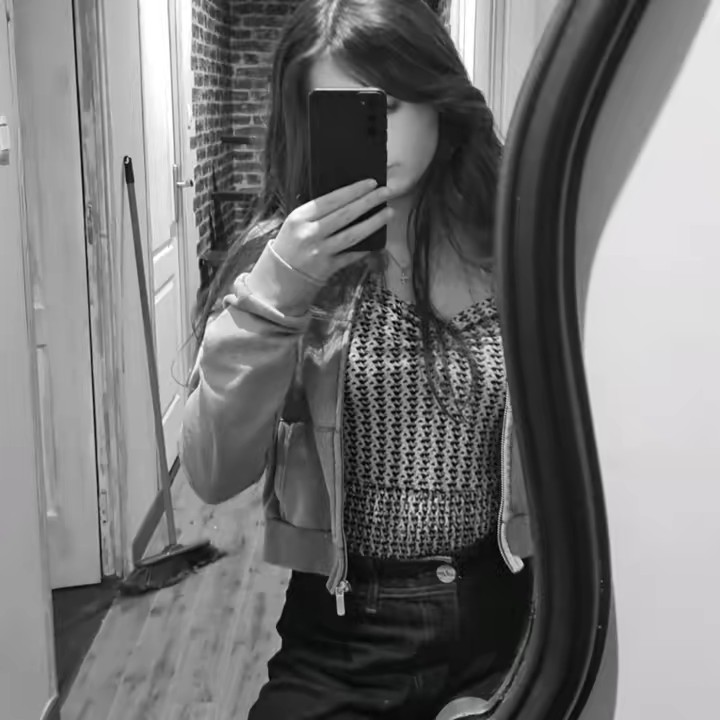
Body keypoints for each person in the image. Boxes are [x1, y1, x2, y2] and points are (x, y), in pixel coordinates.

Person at [181, 0, 535, 717]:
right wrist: (279, 292)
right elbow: (214, 473)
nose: (377, 133)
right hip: (346, 632)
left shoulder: (512, 241)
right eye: (343, 111)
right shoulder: (281, 263)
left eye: (392, 103)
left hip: (508, 609)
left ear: (438, 98)